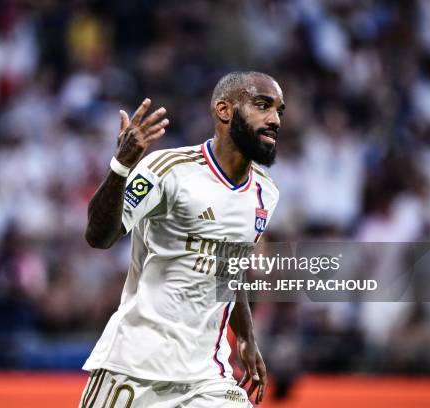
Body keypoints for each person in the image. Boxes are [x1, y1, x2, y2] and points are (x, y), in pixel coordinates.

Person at [81, 71, 284, 407]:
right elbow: (98, 237)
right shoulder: (168, 169)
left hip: (208, 376)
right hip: (134, 368)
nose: (275, 119)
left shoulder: (266, 193)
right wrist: (121, 167)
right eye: (262, 105)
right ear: (224, 110)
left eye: (279, 110)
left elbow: (228, 269)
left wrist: (246, 335)